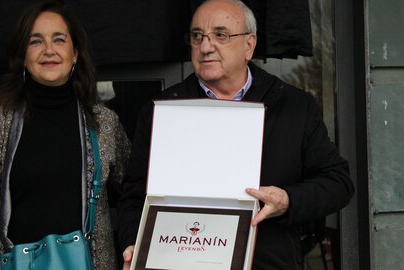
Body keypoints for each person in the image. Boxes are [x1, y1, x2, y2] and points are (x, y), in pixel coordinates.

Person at [117, 0, 354, 269]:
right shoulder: (161, 110)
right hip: (180, 261)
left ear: (249, 45)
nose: (206, 47)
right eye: (197, 36)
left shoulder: (294, 106)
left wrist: (288, 200)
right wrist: (132, 245)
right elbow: (135, 196)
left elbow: (338, 183)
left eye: (220, 35)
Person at [0, 1, 130, 269]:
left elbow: (137, 191)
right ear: (22, 54)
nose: (49, 50)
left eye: (59, 40)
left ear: (75, 54)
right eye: (35, 41)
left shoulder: (103, 123)